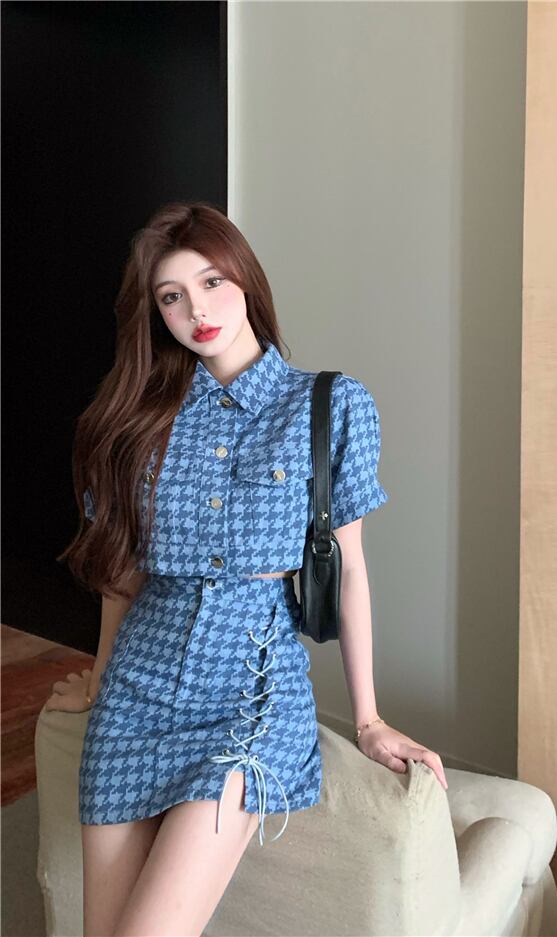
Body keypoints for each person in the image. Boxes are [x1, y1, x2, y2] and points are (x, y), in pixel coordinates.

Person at [47, 201, 448, 937]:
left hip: (248, 697)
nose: (196, 311)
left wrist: (369, 719)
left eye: (211, 283)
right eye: (172, 297)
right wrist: (102, 678)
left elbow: (350, 570)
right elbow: (121, 577)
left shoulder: (327, 406)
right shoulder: (138, 421)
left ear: (246, 281)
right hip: (136, 694)